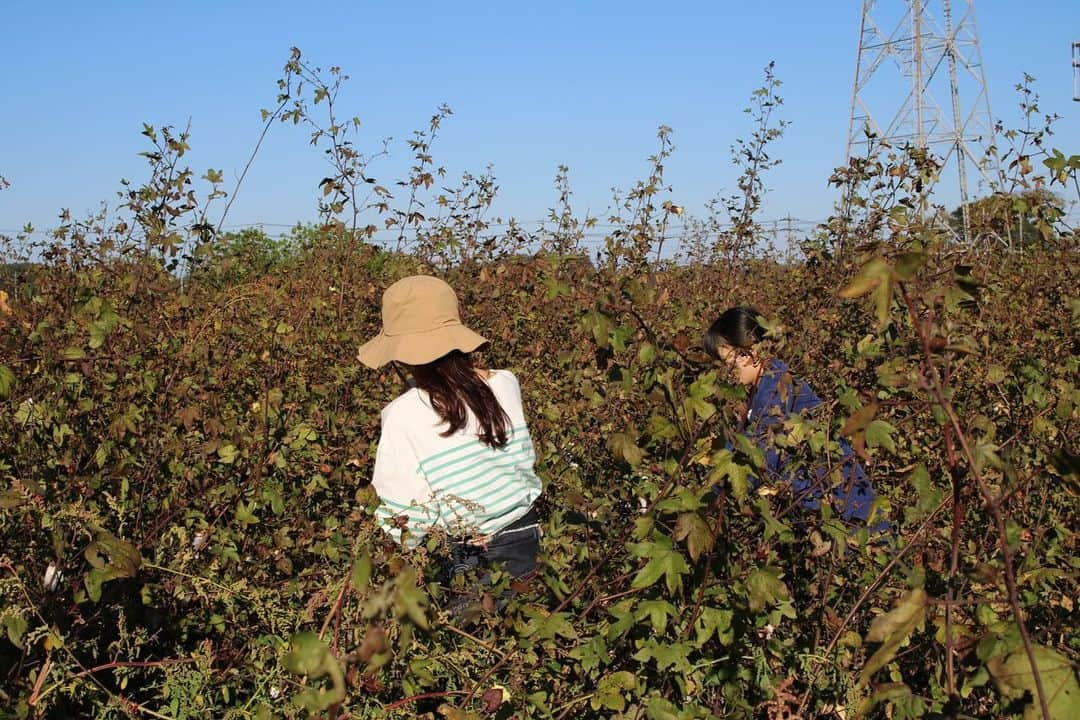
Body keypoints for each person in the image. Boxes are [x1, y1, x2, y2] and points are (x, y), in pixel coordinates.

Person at [357, 275, 543, 591]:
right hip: (529, 540)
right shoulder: (505, 383)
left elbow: (404, 521)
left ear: (400, 353)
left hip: (472, 558)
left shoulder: (403, 414)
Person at [703, 306, 882, 528]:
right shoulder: (759, 391)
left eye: (729, 363)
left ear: (747, 352)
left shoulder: (776, 388)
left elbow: (756, 457)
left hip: (850, 513)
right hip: (829, 510)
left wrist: (706, 497)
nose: (726, 371)